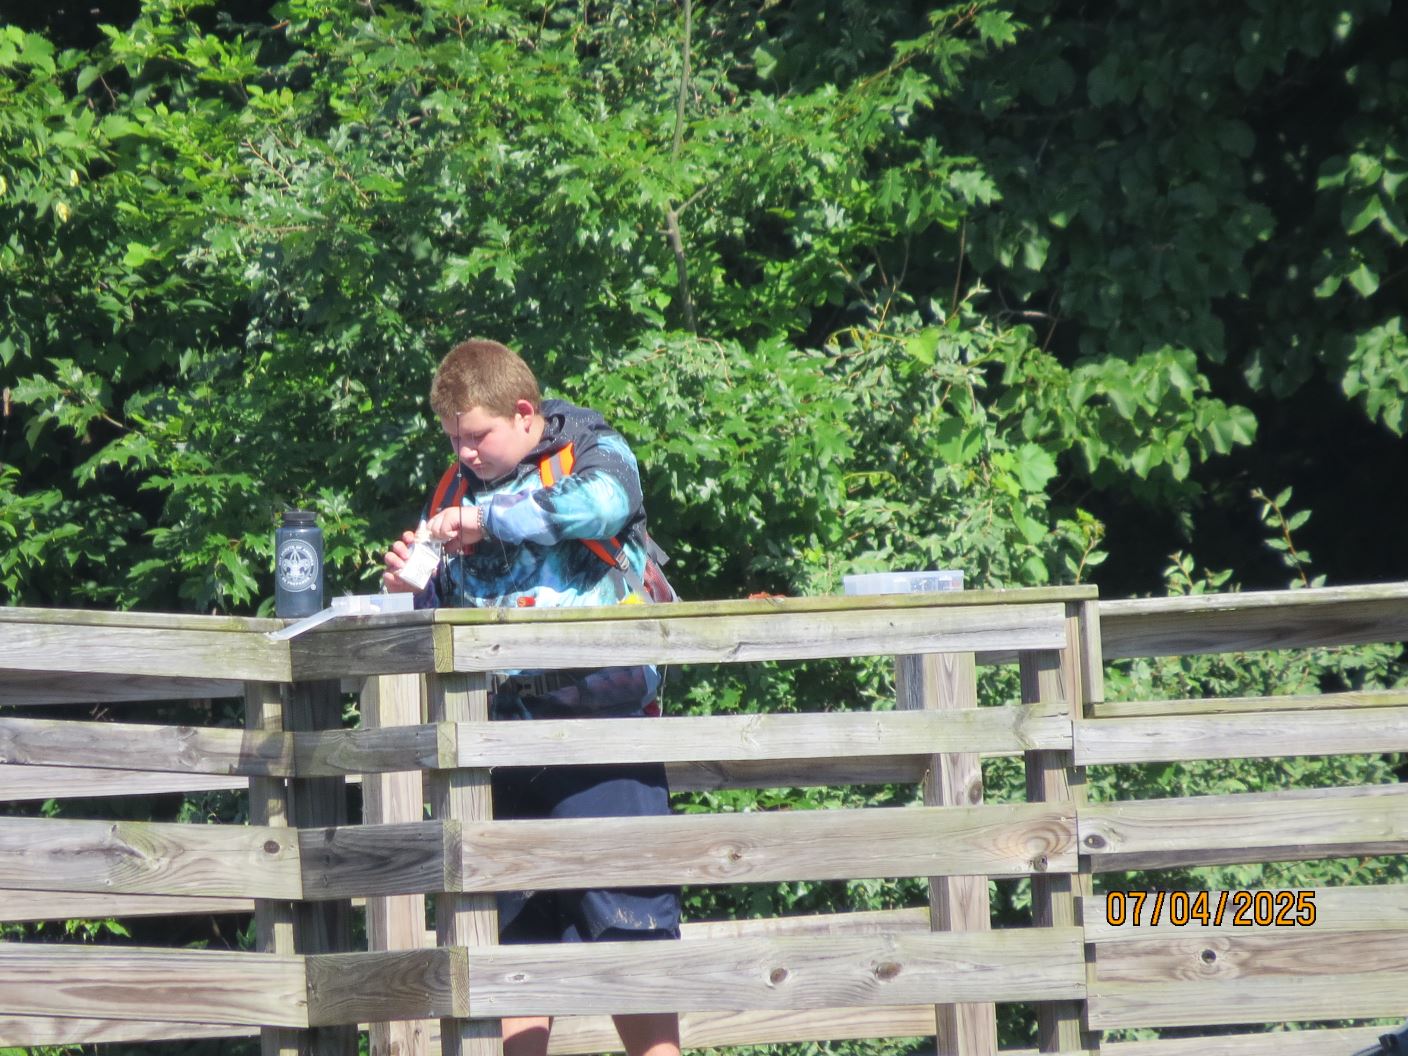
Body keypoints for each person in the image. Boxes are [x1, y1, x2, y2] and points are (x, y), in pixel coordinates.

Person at [382, 338, 681, 1056]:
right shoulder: (453, 493)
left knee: (632, 948)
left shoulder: (593, 451)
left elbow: (602, 508)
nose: (465, 453)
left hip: (603, 741)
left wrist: (486, 522)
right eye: (454, 439)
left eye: (477, 436)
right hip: (497, 749)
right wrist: (411, 589)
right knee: (514, 956)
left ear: (524, 413)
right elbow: (443, 620)